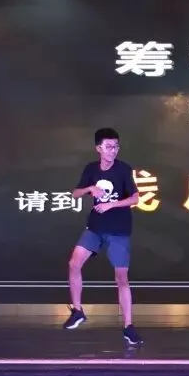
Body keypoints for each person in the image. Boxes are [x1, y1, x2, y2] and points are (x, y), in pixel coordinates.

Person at [63, 127, 143, 346]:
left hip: (119, 229)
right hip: (95, 227)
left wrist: (111, 204)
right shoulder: (91, 169)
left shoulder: (123, 169)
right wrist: (90, 188)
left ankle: (128, 327)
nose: (113, 150)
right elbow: (75, 193)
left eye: (116, 146)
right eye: (108, 147)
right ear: (99, 148)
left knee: (121, 278)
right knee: (74, 264)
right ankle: (77, 311)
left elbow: (135, 198)